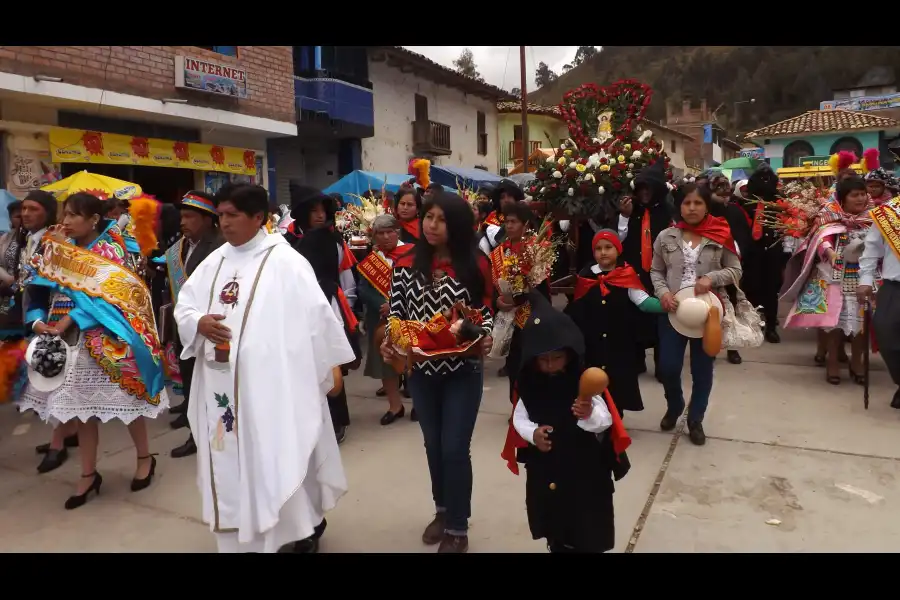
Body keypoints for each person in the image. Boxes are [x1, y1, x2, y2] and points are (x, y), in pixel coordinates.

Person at [174, 183, 354, 553]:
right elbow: (186, 305)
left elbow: (317, 318)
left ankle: (302, 527)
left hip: (274, 387)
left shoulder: (286, 262)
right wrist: (198, 324)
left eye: (232, 215)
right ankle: (246, 526)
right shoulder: (215, 261)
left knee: (281, 451)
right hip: (223, 386)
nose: (223, 223)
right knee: (236, 456)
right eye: (220, 215)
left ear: (259, 218)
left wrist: (321, 366)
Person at [19, 192, 169, 508]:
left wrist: (68, 321)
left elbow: (114, 298)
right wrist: (36, 324)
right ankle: (88, 474)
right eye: (65, 214)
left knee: (129, 402)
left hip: (108, 338)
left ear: (93, 219)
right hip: (66, 342)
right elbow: (33, 294)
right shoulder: (55, 247)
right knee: (81, 410)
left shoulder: (112, 251)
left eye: (74, 215)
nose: (67, 221)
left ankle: (144, 457)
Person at [380, 191, 494, 553]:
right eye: (429, 216)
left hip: (463, 369)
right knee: (433, 446)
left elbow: (485, 313)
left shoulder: (476, 264)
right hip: (421, 373)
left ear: (457, 224)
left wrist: (483, 335)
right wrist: (390, 341)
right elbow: (396, 315)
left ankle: (458, 528)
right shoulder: (405, 262)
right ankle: (442, 511)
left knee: (455, 448)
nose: (432, 224)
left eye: (442, 219)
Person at [501, 291, 630, 553]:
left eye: (556, 358)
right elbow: (520, 417)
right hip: (547, 469)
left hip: (585, 472)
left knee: (587, 528)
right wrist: (532, 434)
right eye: (543, 359)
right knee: (555, 523)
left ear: (570, 354)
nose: (549, 365)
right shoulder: (529, 384)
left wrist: (587, 415)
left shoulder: (583, 382)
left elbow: (605, 422)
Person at [651, 183, 742, 445]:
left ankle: (696, 419)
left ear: (706, 206)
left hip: (708, 313)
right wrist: (663, 293)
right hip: (673, 311)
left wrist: (712, 278)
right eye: (687, 203)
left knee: (703, 370)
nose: (692, 208)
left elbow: (735, 270)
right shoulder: (666, 236)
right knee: (668, 367)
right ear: (679, 206)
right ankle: (675, 404)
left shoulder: (720, 234)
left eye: (698, 203)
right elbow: (656, 271)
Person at [781, 176, 875, 385]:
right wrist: (831, 254)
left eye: (862, 194)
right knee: (833, 323)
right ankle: (833, 360)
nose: (860, 198)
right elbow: (822, 239)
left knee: (861, 323)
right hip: (833, 276)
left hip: (865, 277)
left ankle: (857, 362)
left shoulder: (875, 218)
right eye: (854, 195)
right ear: (843, 199)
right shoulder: (829, 216)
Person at [286, 183, 359, 444]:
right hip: (297, 309)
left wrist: (348, 307)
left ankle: (338, 419)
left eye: (322, 210)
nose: (319, 215)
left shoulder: (334, 240)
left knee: (332, 362)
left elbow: (345, 275)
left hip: (329, 305)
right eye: (313, 210)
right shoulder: (287, 242)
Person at [566, 230, 665, 418]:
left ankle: (615, 422)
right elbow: (577, 305)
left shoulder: (626, 274)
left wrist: (669, 306)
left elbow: (643, 302)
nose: (603, 252)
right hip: (592, 342)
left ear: (618, 250)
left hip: (619, 344)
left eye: (608, 247)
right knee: (593, 382)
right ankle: (592, 418)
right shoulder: (587, 274)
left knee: (617, 385)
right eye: (598, 249)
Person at [20, 190, 79, 473]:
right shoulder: (28, 241)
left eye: (33, 209)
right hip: (49, 322)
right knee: (52, 383)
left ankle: (59, 443)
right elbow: (35, 291)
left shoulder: (66, 243)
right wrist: (35, 321)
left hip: (74, 326)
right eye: (23, 209)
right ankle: (67, 434)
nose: (26, 214)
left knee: (60, 385)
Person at [164, 191, 224, 459]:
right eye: (182, 216)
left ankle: (201, 437)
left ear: (208, 219)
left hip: (209, 327)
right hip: (186, 323)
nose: (183, 222)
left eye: (189, 216)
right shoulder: (182, 245)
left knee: (208, 383)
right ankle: (192, 420)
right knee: (190, 378)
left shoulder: (220, 246)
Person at [619, 158, 676, 378]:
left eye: (648, 189)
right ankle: (637, 361)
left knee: (661, 318)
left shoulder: (667, 212)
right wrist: (624, 216)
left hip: (661, 275)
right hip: (635, 273)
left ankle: (662, 364)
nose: (644, 194)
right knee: (634, 319)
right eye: (641, 189)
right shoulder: (630, 211)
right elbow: (620, 239)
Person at [488, 201, 550, 402]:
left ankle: (534, 404)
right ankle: (516, 405)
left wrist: (519, 298)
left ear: (526, 225)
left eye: (514, 222)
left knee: (533, 362)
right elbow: (491, 288)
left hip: (531, 316)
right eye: (507, 222)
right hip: (509, 318)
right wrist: (498, 301)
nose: (509, 226)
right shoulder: (500, 252)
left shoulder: (536, 250)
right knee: (514, 363)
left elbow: (539, 287)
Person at [357, 214, 414, 425]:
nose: (386, 236)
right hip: (379, 317)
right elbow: (363, 288)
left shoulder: (412, 253)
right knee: (386, 362)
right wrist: (379, 304)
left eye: (390, 231)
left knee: (413, 360)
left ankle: (419, 405)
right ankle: (395, 406)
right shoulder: (372, 258)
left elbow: (421, 282)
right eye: (381, 233)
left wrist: (396, 303)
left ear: (397, 232)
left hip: (409, 314)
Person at [738, 165, 788, 343]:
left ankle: (771, 327)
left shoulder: (779, 203)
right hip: (752, 253)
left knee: (771, 290)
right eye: (761, 178)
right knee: (750, 288)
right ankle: (751, 325)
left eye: (768, 178)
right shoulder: (746, 203)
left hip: (773, 252)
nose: (765, 182)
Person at [708, 173, 752, 365]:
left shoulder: (736, 211)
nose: (723, 194)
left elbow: (744, 235)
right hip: (708, 263)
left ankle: (732, 346)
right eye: (719, 190)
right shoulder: (706, 210)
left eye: (726, 190)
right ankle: (710, 345)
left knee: (731, 303)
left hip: (731, 263)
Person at [859, 195, 899, 407]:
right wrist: (865, 280)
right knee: (886, 335)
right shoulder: (888, 213)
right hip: (894, 286)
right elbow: (872, 248)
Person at [479, 179, 525, 255]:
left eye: (509, 196)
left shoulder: (524, 216)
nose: (506, 200)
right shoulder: (492, 217)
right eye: (502, 197)